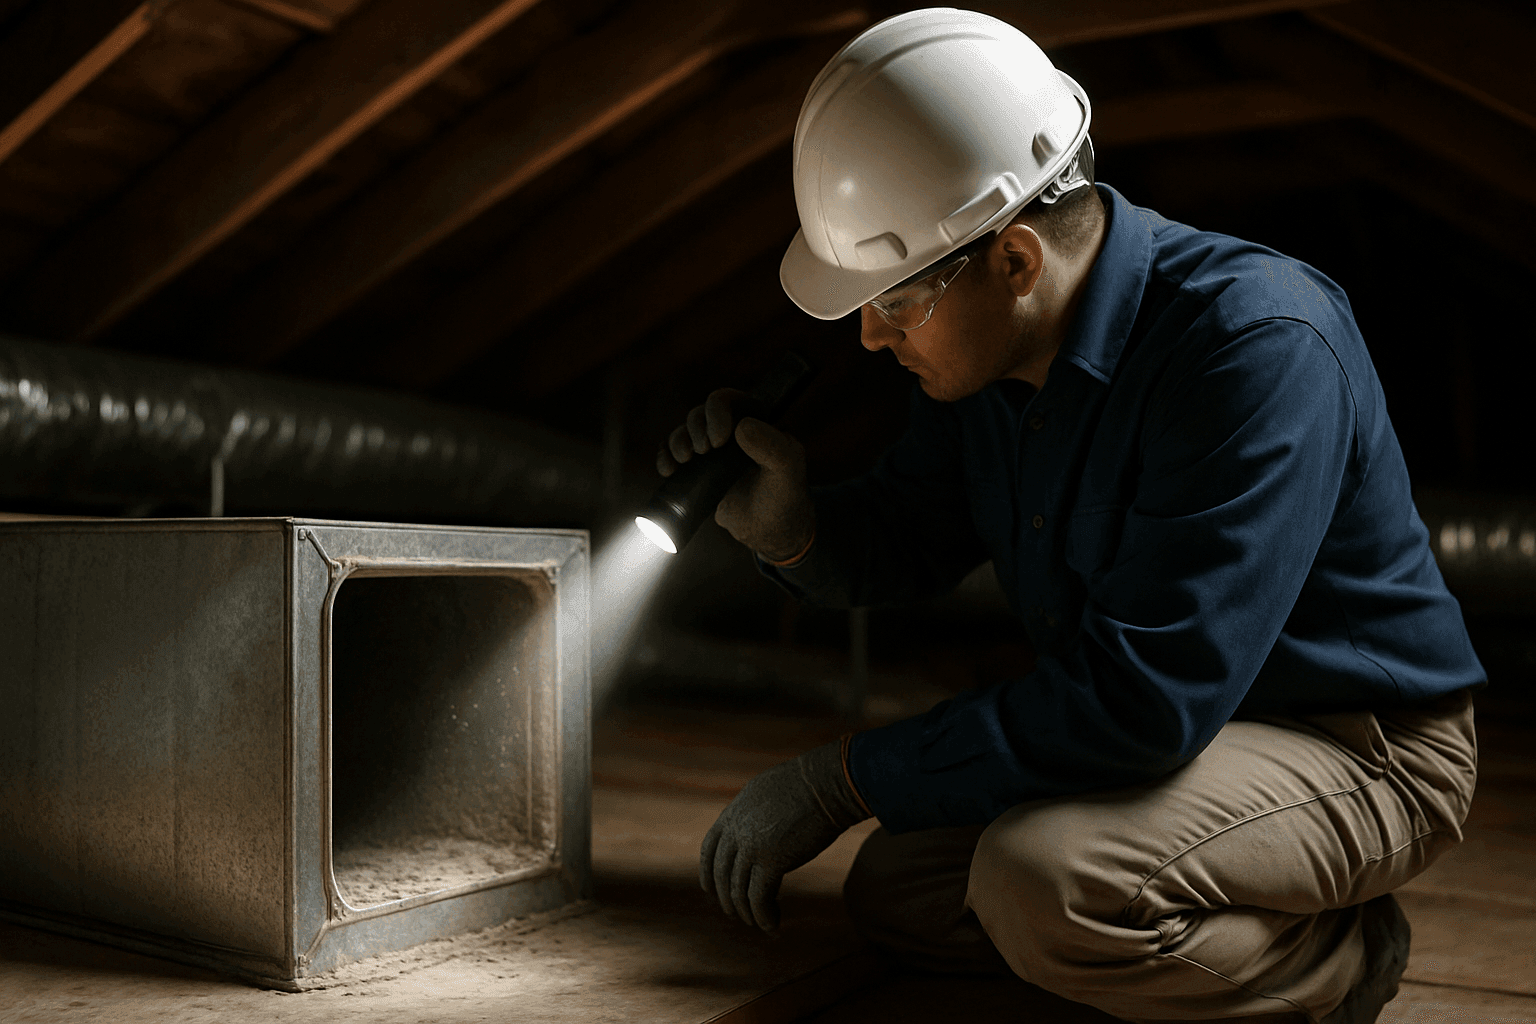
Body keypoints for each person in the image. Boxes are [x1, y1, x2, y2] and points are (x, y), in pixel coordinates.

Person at [655, 10, 1484, 1023]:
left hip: (1359, 741)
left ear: (1014, 261)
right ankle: (1188, 925)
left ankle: (1344, 956)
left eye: (896, 301)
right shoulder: (989, 360)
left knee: (1037, 883)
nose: (871, 336)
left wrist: (842, 777)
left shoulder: (1255, 345)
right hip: (1180, 732)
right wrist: (789, 524)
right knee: (900, 888)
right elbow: (911, 530)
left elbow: (1141, 701)